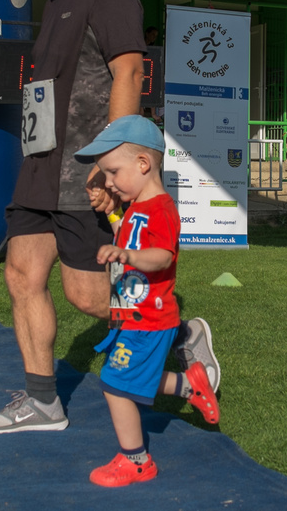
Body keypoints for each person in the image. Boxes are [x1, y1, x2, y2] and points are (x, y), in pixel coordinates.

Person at [0, 0, 218, 437]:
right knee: (21, 276)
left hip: (81, 173)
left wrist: (110, 161)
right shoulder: (56, 1)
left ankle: (179, 336)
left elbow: (128, 72)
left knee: (87, 296)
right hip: (39, 166)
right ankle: (42, 403)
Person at [72, 116, 220, 487]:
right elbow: (130, 233)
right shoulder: (136, 205)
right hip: (130, 314)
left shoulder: (161, 208)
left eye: (113, 173)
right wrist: (109, 213)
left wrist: (129, 256)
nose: (108, 182)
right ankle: (190, 385)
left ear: (143, 165)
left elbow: (163, 256)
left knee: (115, 384)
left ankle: (136, 461)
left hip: (150, 318)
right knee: (135, 377)